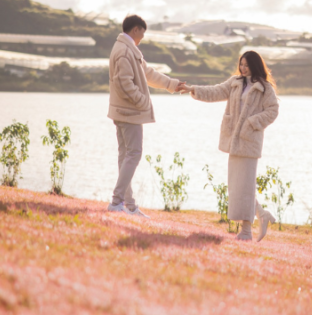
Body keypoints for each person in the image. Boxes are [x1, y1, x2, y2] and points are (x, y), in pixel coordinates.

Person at [183, 51, 279, 241]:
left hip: (250, 141)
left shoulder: (265, 88)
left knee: (245, 184)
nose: (243, 68)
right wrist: (191, 89)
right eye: (241, 64)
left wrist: (253, 123)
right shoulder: (235, 82)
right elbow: (215, 91)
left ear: (255, 65)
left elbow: (273, 111)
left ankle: (246, 231)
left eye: (246, 65)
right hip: (234, 141)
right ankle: (262, 214)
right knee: (238, 185)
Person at [107, 15, 186, 218]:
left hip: (124, 111)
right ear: (135, 30)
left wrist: (171, 84)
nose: (143, 36)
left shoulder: (128, 49)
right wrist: (142, 101)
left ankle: (129, 205)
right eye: (142, 32)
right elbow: (124, 82)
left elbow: (148, 74)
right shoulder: (125, 51)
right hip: (129, 112)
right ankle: (117, 202)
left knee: (126, 155)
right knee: (133, 154)